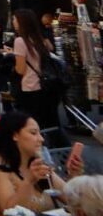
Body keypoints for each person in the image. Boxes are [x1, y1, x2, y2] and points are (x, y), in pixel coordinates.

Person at [0, 110, 83, 216]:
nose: (41, 139)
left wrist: (74, 176)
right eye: (33, 133)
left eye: (40, 133)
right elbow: (9, 213)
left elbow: (71, 199)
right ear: (15, 135)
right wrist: (28, 181)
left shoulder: (37, 163)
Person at [9, 8, 64, 137]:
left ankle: (38, 151)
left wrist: (13, 64)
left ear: (22, 22)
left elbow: (20, 69)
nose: (13, 22)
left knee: (32, 124)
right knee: (50, 122)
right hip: (47, 86)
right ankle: (58, 149)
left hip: (30, 87)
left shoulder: (20, 41)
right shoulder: (41, 39)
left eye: (14, 19)